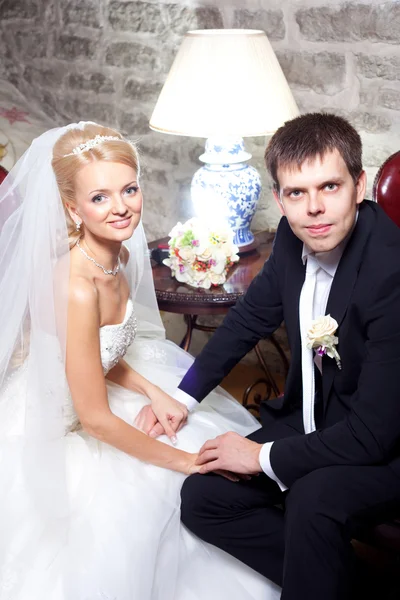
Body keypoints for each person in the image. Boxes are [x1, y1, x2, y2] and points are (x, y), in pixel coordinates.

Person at [0, 122, 281, 600]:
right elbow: (94, 418)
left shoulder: (115, 257)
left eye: (128, 189)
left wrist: (155, 391)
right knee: (157, 492)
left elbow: (97, 355)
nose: (121, 207)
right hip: (61, 425)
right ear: (72, 208)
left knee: (192, 429)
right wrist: (185, 462)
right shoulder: (75, 283)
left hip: (92, 395)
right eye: (100, 198)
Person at [164, 113, 400, 599]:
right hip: (322, 415)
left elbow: (373, 436)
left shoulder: (391, 273)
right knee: (204, 497)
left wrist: (259, 455)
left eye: (329, 187)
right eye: (296, 193)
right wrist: (182, 398)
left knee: (313, 499)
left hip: (386, 442)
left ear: (359, 186)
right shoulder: (294, 237)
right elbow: (249, 319)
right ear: (279, 200)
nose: (314, 209)